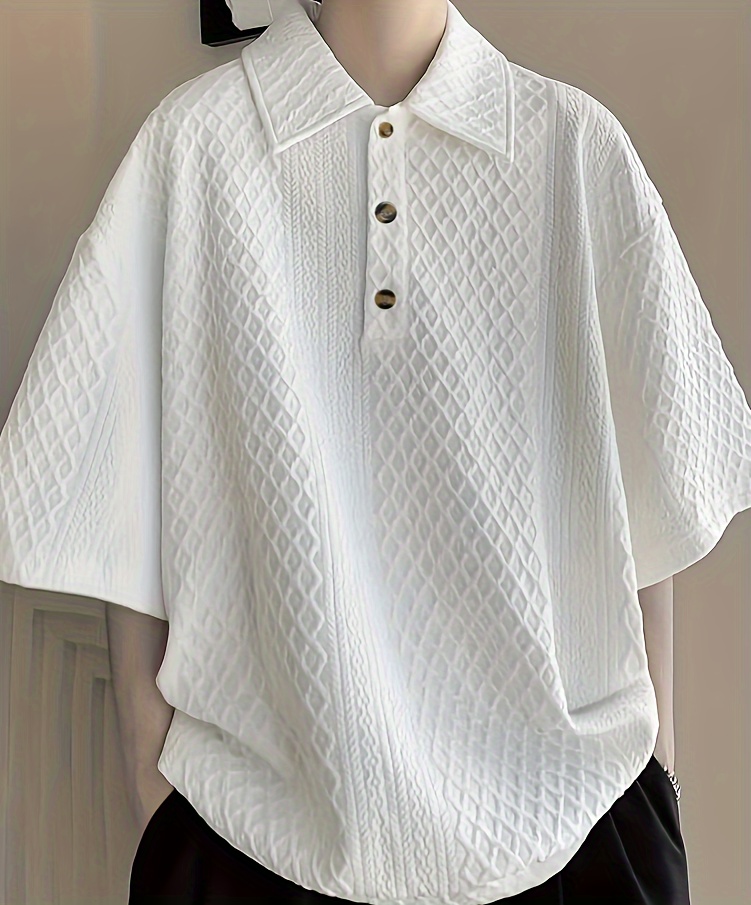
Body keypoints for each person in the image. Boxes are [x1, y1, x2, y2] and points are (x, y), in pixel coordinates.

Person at [1, 0, 749, 902]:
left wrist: (655, 776)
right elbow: (112, 492)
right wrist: (152, 781)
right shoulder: (191, 150)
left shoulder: (573, 146)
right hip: (253, 840)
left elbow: (657, 501)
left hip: (576, 831)